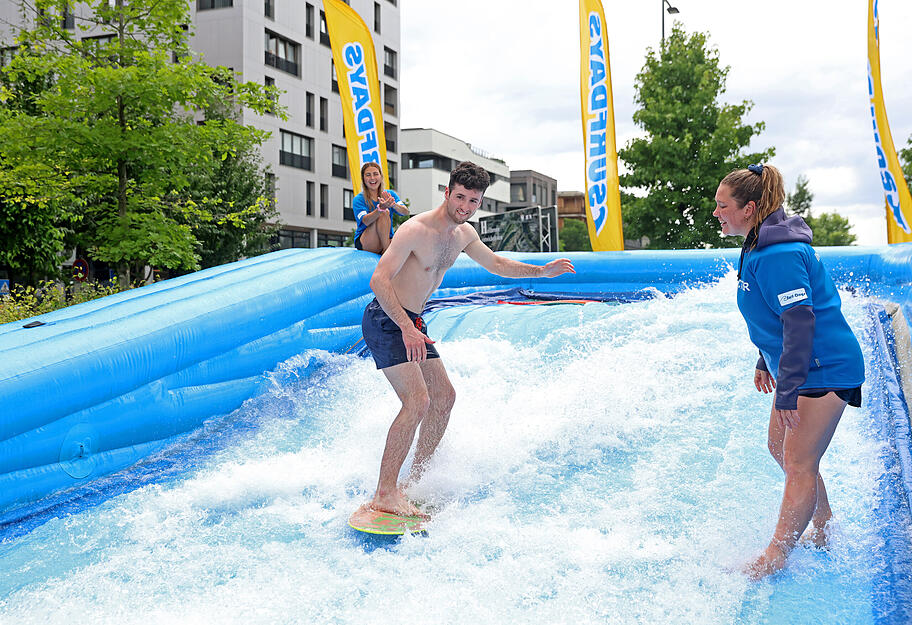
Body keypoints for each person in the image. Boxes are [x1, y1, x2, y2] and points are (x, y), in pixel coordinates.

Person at [360, 160, 576, 516]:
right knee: (417, 402)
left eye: (473, 201)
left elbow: (496, 265)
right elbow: (379, 280)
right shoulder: (415, 229)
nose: (465, 206)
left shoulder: (463, 234)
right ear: (447, 192)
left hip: (414, 322)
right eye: (459, 197)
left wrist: (543, 271)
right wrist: (406, 327)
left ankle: (414, 482)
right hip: (387, 318)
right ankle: (385, 493)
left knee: (444, 397)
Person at [713, 163, 865, 580]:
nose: (716, 213)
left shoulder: (778, 253)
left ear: (749, 208)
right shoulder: (758, 242)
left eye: (722, 205)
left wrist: (787, 390)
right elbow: (774, 313)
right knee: (781, 448)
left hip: (824, 368)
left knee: (797, 461)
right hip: (803, 366)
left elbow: (799, 320)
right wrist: (766, 358)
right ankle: (823, 524)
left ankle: (774, 557)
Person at [353, 162, 409, 254]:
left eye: (375, 174)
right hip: (366, 241)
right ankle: (387, 252)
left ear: (381, 176)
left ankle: (386, 248)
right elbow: (365, 221)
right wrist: (379, 209)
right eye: (368, 175)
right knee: (383, 212)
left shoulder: (390, 194)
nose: (372, 178)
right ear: (363, 179)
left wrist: (393, 204)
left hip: (387, 238)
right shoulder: (358, 199)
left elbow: (405, 212)